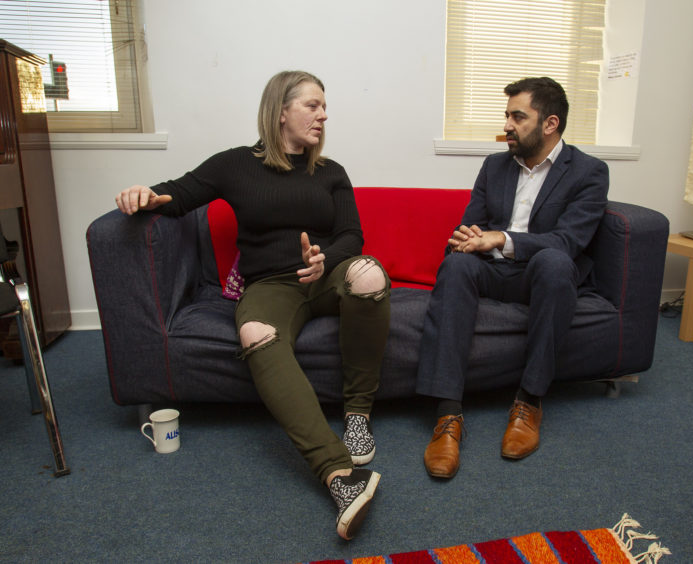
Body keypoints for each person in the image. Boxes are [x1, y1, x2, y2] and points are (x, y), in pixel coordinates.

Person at [115, 70, 390, 539]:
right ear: (281, 111)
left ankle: (358, 416)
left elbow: (352, 236)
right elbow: (179, 194)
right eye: (312, 105)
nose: (323, 115)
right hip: (271, 285)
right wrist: (144, 195)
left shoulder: (331, 172)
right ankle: (341, 475)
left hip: (325, 276)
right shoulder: (235, 164)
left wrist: (326, 260)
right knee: (254, 331)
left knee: (370, 274)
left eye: (325, 107)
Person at [418, 77, 609, 479]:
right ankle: (447, 414)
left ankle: (529, 401)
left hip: (538, 273)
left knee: (557, 262)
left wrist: (502, 238)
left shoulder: (589, 172)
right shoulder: (494, 165)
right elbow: (471, 223)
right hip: (491, 268)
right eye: (507, 115)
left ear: (550, 123)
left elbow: (569, 240)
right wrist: (468, 237)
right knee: (456, 264)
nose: (507, 124)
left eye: (518, 116)